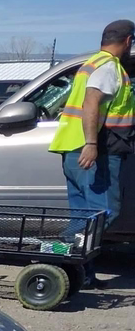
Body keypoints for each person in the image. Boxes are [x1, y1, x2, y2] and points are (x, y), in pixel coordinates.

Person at [49, 19, 135, 286]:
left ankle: (82, 274)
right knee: (103, 212)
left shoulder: (91, 64)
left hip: (73, 148)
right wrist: (91, 144)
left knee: (84, 214)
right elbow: (91, 102)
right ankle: (57, 253)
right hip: (93, 151)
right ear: (128, 41)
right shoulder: (109, 67)